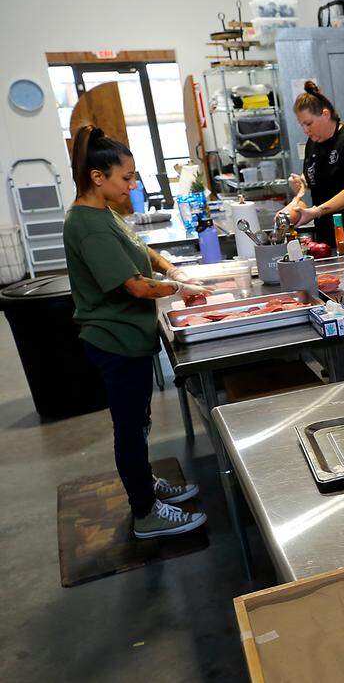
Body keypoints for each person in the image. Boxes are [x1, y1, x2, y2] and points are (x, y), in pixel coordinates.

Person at [63, 126, 212, 539]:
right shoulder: (86, 224)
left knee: (140, 423)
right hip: (115, 342)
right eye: (126, 178)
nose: (133, 185)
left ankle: (144, 483)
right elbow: (135, 286)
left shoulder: (104, 213)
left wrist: (170, 267)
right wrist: (181, 289)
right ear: (98, 177)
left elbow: (137, 248)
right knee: (130, 429)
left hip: (131, 338)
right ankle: (146, 512)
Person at [283, 81, 344, 253]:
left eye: (309, 123)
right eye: (302, 125)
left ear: (326, 114)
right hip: (325, 235)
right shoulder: (314, 142)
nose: (305, 130)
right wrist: (301, 182)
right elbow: (318, 174)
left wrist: (316, 211)